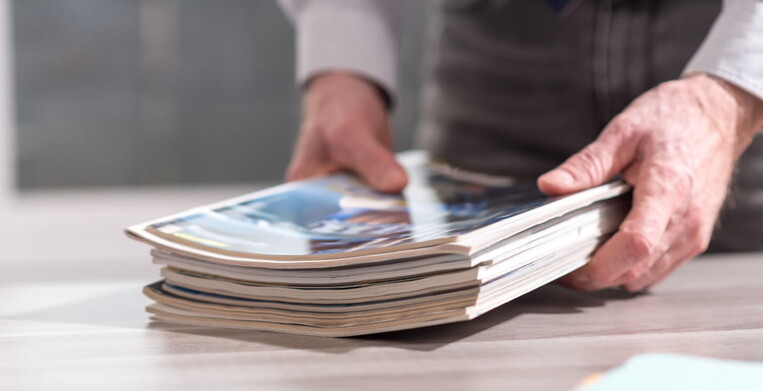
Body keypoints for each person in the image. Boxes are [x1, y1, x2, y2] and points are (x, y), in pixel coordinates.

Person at [277, 0, 763, 292]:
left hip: (732, 46)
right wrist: (343, 59)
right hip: (497, 59)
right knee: (455, 309)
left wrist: (728, 100)